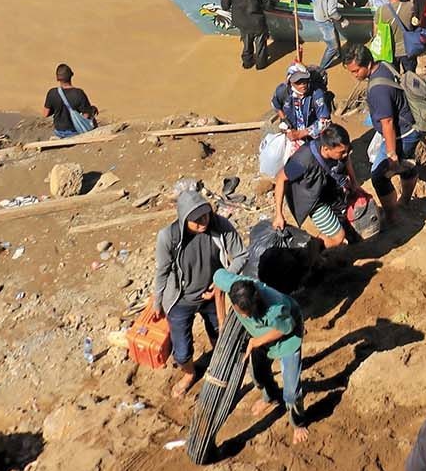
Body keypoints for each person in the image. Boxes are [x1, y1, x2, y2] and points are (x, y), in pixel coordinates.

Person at [152, 190, 244, 397]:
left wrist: (222, 281)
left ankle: (219, 363)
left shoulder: (220, 226)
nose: (203, 222)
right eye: (196, 220)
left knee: (219, 334)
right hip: (181, 299)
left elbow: (241, 255)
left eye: (206, 215)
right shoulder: (168, 237)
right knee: (182, 350)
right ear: (184, 218)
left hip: (212, 295)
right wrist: (157, 301)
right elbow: (162, 271)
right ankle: (189, 374)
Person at [213, 267, 308, 442]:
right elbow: (217, 280)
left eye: (246, 314)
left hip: (287, 337)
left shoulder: (275, 307)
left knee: (291, 394)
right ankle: (270, 397)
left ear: (255, 304)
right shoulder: (234, 285)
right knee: (258, 375)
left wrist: (255, 342)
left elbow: (286, 328)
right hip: (259, 336)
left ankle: (298, 423)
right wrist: (221, 319)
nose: (242, 316)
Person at [343, 43, 419, 219]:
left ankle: (392, 215)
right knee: (407, 165)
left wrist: (391, 153)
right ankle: (405, 201)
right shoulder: (384, 65)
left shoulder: (377, 89)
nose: (354, 76)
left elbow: (388, 122)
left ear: (368, 64)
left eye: (356, 71)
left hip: (401, 135)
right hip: (409, 126)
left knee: (379, 176)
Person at [274, 123, 361, 250]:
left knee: (343, 217)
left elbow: (346, 160)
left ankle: (347, 243)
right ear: (326, 149)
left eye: (347, 151)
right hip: (312, 200)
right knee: (338, 237)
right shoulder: (303, 160)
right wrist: (278, 215)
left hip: (328, 189)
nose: (345, 154)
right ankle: (313, 253)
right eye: (341, 152)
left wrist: (354, 182)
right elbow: (281, 179)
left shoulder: (339, 150)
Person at [221, 0, 275, 70]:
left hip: (241, 22)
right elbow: (268, 7)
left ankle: (247, 63)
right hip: (257, 23)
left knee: (246, 42)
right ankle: (261, 66)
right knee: (260, 45)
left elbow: (225, 6)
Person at [271, 61, 333, 146]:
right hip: (291, 133)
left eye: (305, 81)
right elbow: (276, 105)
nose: (303, 85)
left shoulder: (317, 94)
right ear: (290, 82)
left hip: (313, 136)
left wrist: (300, 134)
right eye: (298, 82)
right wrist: (284, 120)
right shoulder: (282, 91)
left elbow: (324, 122)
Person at [43, 63, 97, 139]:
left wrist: (57, 108)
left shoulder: (52, 93)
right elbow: (86, 115)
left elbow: (45, 114)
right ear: (71, 75)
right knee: (92, 111)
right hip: (74, 132)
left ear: (57, 78)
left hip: (58, 132)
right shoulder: (79, 93)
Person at [312, 0, 347, 72]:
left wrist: (343, 2)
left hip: (318, 13)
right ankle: (321, 68)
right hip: (324, 20)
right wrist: (342, 19)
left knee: (334, 34)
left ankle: (340, 55)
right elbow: (332, 11)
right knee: (332, 46)